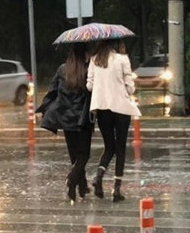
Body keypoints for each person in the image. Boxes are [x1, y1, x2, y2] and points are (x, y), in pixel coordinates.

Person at [35, 43, 94, 201]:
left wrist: (43, 108)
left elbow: (52, 91)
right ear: (85, 53)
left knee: (74, 155)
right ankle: (71, 180)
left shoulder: (62, 69)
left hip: (65, 118)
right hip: (82, 118)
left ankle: (78, 188)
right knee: (84, 154)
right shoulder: (89, 70)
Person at [86, 39, 140, 202]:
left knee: (109, 146)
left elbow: (89, 86)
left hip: (102, 108)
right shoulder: (123, 59)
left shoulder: (94, 60)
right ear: (115, 44)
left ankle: (99, 178)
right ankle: (116, 189)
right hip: (120, 108)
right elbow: (130, 87)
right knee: (120, 148)